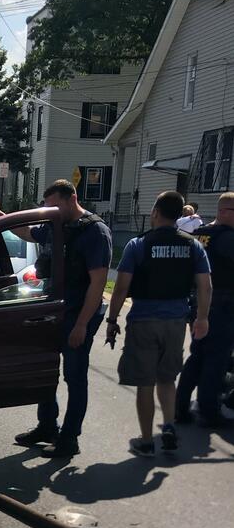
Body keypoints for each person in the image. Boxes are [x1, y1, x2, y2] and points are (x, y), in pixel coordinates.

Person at [0, 179, 111, 459]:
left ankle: (69, 439)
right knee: (46, 370)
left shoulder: (94, 232)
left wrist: (81, 324)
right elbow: (29, 233)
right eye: (47, 206)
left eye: (55, 205)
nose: (50, 211)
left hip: (80, 314)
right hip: (53, 312)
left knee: (74, 376)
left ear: (72, 198)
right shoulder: (57, 225)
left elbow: (98, 283)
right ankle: (47, 426)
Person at [106, 190, 211, 456]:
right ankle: (169, 426)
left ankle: (145, 440)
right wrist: (201, 318)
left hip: (143, 319)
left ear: (155, 212)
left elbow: (120, 288)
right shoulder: (192, 245)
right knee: (167, 379)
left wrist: (112, 319)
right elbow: (205, 286)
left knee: (145, 382)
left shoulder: (138, 245)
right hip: (176, 321)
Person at [175, 191, 234, 425]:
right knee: (216, 359)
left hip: (199, 303)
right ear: (223, 211)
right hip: (223, 304)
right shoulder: (228, 238)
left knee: (198, 355)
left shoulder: (200, 234)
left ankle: (181, 406)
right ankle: (209, 410)